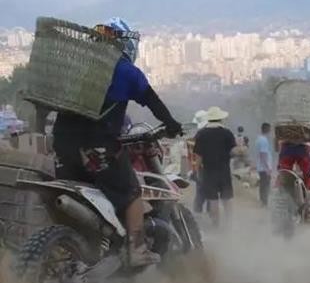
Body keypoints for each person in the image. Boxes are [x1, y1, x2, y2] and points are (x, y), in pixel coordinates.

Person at [52, 17, 182, 267]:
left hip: (62, 149)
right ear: (124, 43)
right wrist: (172, 124)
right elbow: (152, 101)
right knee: (131, 190)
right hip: (97, 149)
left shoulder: (78, 68)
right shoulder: (124, 70)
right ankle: (137, 250)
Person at [193, 106, 236, 228]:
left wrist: (196, 171)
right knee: (227, 199)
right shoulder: (227, 133)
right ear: (221, 119)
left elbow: (199, 157)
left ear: (209, 119)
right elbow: (233, 152)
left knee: (213, 200)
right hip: (224, 171)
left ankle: (216, 225)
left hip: (208, 171)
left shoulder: (201, 134)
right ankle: (229, 225)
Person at [256, 122, 273, 207]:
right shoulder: (263, 140)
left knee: (263, 185)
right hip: (264, 167)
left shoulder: (259, 139)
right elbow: (263, 155)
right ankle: (264, 202)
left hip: (261, 166)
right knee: (266, 185)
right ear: (267, 130)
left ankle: (263, 202)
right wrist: (267, 168)